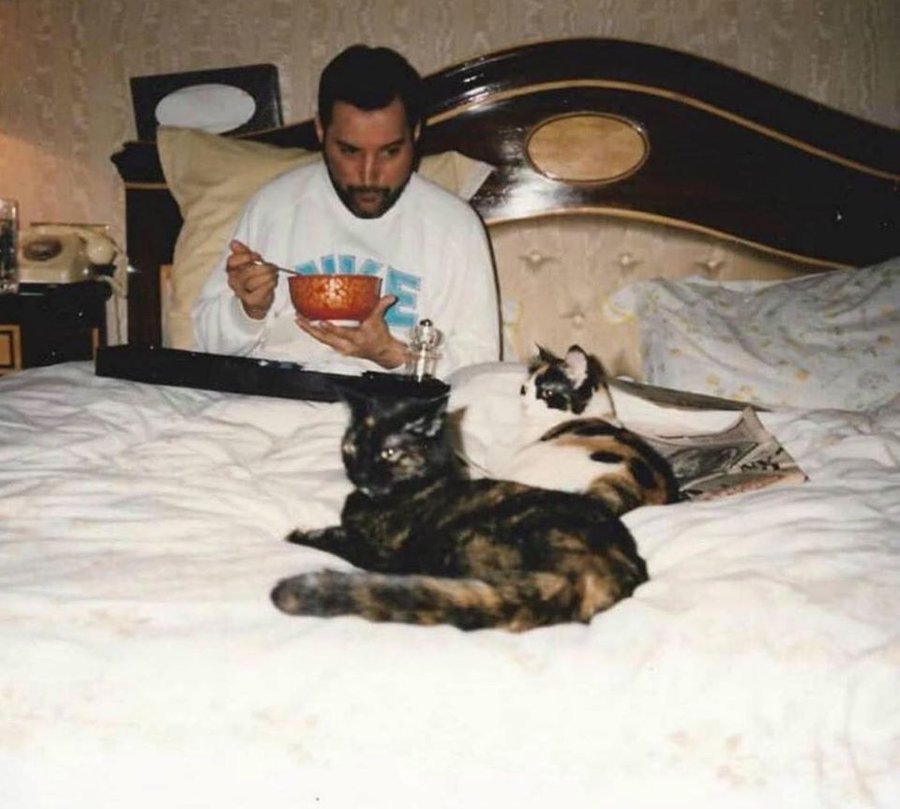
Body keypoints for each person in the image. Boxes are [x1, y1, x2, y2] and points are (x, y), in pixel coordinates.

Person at [192, 44, 500, 376]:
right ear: (321, 131)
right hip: (276, 398)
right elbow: (205, 345)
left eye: (390, 152)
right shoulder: (274, 206)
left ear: (415, 133)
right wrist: (248, 312)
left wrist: (393, 354)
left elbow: (480, 368)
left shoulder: (454, 226)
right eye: (350, 151)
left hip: (394, 409)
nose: (368, 176)